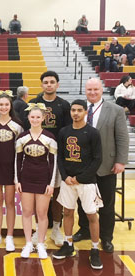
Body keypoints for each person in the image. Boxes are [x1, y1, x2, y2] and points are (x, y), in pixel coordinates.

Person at [73, 78, 129, 254]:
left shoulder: (116, 110)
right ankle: (84, 230)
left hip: (106, 165)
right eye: (89, 89)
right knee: (82, 202)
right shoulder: (79, 109)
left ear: (102, 89)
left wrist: (120, 161)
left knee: (106, 204)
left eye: (96, 89)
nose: (92, 92)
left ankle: (106, 237)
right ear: (85, 90)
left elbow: (122, 137)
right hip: (83, 166)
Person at [53, 100, 103, 270]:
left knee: (91, 215)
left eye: (79, 110)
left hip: (86, 182)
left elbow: (97, 159)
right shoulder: (63, 131)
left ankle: (95, 249)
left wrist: (81, 178)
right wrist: (65, 176)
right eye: (73, 110)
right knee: (67, 213)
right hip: (68, 181)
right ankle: (68, 244)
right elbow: (60, 156)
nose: (75, 113)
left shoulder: (93, 132)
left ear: (85, 112)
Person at [29, 71, 71, 247]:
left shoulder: (64, 105)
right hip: (36, 156)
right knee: (38, 195)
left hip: (57, 157)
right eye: (45, 82)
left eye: (52, 82)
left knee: (56, 195)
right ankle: (39, 229)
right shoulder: (32, 104)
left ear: (57, 85)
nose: (49, 85)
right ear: (41, 85)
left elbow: (69, 131)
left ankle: (56, 229)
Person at [15, 103, 57, 259]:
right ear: (28, 118)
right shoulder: (22, 137)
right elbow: (17, 161)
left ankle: (40, 243)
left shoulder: (50, 138)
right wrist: (17, 180)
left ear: (43, 118)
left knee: (42, 213)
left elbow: (53, 162)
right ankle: (28, 243)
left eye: (38, 117)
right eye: (32, 117)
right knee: (26, 212)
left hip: (43, 179)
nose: (35, 119)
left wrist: (51, 183)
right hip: (25, 179)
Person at [0, 91, 24, 251]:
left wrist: (19, 173)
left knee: (10, 203)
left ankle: (9, 236)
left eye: (6, 104)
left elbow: (20, 152)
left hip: (11, 169)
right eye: (1, 104)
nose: (4, 107)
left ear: (11, 106)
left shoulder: (17, 126)